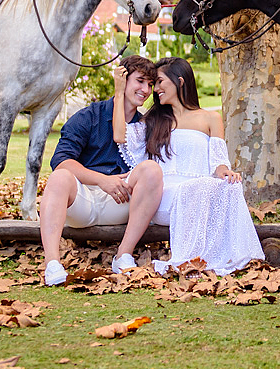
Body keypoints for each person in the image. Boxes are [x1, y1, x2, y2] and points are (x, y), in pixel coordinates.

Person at [112, 57, 264, 275]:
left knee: (230, 186)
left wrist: (225, 172)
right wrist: (119, 92)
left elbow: (219, 162)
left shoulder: (210, 118)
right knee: (193, 188)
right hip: (162, 198)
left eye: (160, 82)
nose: (155, 89)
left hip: (198, 193)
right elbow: (119, 135)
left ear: (180, 82)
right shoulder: (153, 120)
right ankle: (124, 256)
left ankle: (234, 255)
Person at [38, 55, 164, 286]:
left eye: (150, 84)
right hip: (83, 201)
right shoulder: (88, 117)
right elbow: (61, 161)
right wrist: (103, 180)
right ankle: (52, 264)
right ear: (122, 80)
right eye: (140, 81)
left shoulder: (145, 124)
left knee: (152, 170)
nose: (146, 90)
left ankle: (123, 255)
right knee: (59, 177)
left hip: (121, 201)